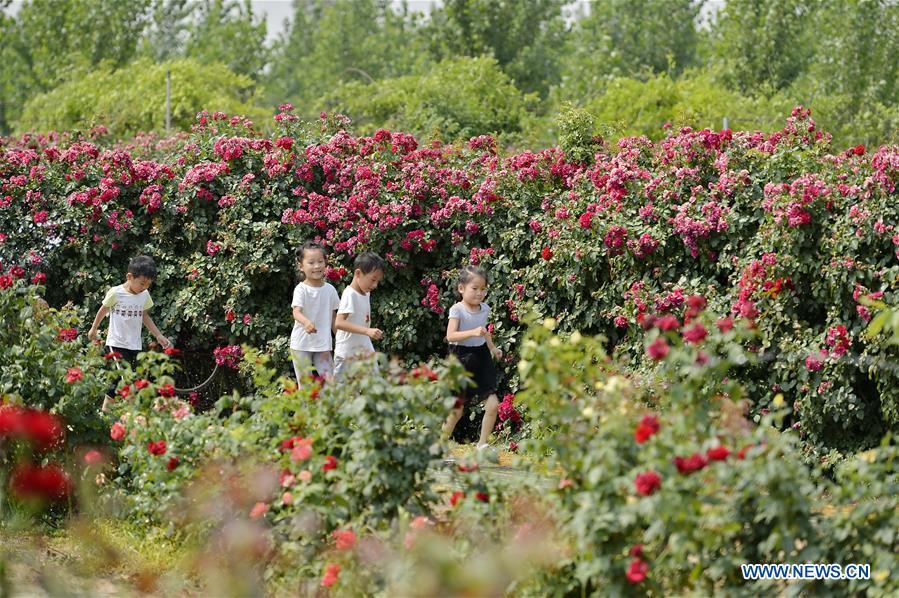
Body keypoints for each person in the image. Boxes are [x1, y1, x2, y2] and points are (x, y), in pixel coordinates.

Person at [88, 255, 171, 406]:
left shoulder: (144, 295)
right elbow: (103, 310)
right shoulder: (116, 292)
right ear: (129, 277)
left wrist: (158, 335)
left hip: (134, 345)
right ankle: (135, 417)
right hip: (116, 343)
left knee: (120, 380)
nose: (144, 288)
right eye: (142, 283)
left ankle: (106, 413)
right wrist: (94, 328)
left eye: (148, 285)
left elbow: (144, 315)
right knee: (126, 379)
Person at [441, 265, 503, 451]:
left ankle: (482, 445)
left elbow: (483, 332)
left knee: (493, 405)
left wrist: (492, 348)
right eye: (474, 288)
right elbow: (451, 336)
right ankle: (439, 447)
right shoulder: (457, 310)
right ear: (461, 288)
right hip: (460, 358)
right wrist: (472, 332)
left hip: (481, 356)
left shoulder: (485, 309)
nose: (479, 293)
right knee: (456, 410)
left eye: (483, 289)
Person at [290, 241, 340, 385]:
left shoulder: (330, 290)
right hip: (301, 344)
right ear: (301, 266)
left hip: (322, 344)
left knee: (332, 382)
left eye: (320, 261)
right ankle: (304, 409)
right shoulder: (301, 289)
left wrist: (342, 339)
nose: (317, 266)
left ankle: (331, 408)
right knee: (305, 386)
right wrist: (306, 322)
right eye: (311, 262)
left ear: (325, 263)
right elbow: (296, 312)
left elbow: (333, 318)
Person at [333, 252, 385, 378]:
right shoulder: (349, 294)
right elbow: (339, 323)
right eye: (373, 279)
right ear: (358, 274)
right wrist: (367, 331)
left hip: (364, 350)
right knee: (343, 394)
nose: (375, 285)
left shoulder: (366, 293)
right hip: (346, 355)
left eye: (377, 281)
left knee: (375, 387)